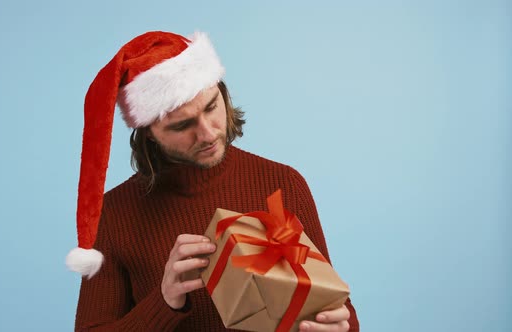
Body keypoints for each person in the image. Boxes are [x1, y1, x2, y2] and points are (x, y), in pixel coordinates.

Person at [66, 31, 359, 332]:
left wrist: (338, 325)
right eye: (182, 125)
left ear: (222, 92)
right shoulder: (115, 214)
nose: (207, 134)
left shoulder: (283, 183)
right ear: (149, 132)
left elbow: (339, 311)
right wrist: (164, 302)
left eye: (210, 107)